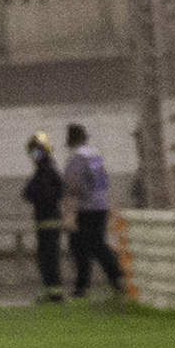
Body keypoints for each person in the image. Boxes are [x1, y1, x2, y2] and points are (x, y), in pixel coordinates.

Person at [63, 123, 126, 300]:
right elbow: (103, 180)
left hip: (85, 209)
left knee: (81, 248)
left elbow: (73, 187)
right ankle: (115, 279)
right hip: (101, 206)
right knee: (98, 244)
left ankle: (83, 287)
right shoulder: (95, 155)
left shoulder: (77, 158)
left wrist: (70, 213)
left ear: (70, 139)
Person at [22, 135, 68, 298]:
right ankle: (51, 290)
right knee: (49, 256)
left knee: (47, 258)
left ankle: (53, 291)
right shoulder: (52, 171)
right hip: (50, 219)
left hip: (45, 220)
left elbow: (28, 193)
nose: (32, 157)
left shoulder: (43, 172)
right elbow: (60, 192)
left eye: (33, 153)